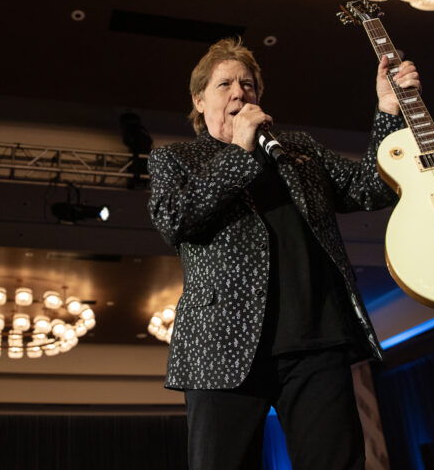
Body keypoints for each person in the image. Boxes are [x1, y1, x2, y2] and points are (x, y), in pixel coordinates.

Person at [147, 37, 420, 470]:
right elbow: (175, 220)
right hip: (221, 347)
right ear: (199, 100)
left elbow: (370, 187)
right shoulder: (175, 160)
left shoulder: (298, 151)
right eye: (225, 85)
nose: (240, 92)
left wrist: (388, 110)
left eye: (248, 83)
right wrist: (239, 151)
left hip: (316, 342)